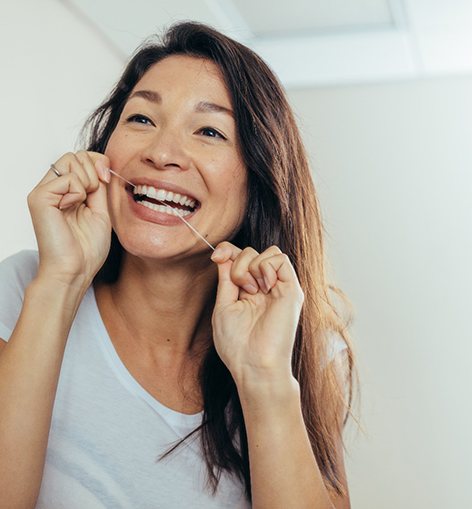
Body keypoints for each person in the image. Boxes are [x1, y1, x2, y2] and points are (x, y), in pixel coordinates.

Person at [0, 21, 355, 509]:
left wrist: (265, 378)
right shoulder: (23, 288)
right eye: (142, 119)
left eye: (209, 130)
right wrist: (61, 283)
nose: (162, 153)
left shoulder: (306, 352)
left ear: (259, 178)